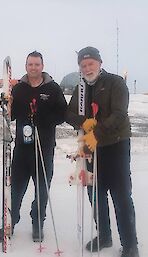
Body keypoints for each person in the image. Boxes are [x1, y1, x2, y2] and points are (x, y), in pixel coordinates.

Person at [66, 46, 139, 257]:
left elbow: (119, 113)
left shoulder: (115, 83)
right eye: (83, 65)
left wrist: (97, 131)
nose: (87, 68)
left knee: (121, 195)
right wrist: (84, 122)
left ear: (99, 63)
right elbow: (69, 113)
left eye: (90, 64)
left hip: (115, 145)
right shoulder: (81, 89)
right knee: (95, 194)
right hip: (91, 149)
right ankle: (104, 235)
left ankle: (130, 244)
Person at [0, 51, 67, 243]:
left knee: (42, 189)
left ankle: (37, 222)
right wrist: (6, 104)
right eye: (30, 64)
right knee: (16, 188)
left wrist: (44, 119)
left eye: (37, 64)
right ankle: (10, 221)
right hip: (22, 149)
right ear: (26, 66)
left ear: (42, 66)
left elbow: (62, 114)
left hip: (44, 148)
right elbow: (13, 115)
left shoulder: (53, 88)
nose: (33, 68)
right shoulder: (19, 89)